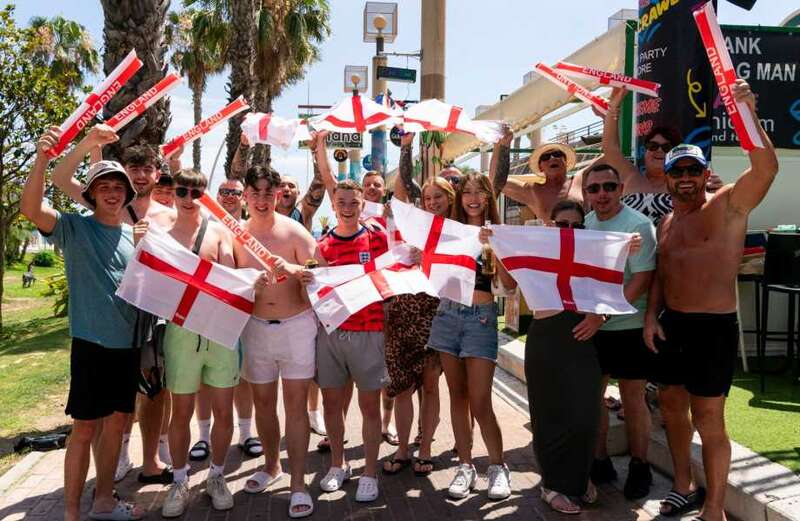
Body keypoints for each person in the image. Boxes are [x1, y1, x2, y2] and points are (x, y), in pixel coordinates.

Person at [644, 80, 778, 521]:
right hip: (672, 324)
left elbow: (765, 168)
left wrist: (746, 113)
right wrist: (651, 317)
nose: (684, 179)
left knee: (709, 420)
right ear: (667, 177)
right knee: (670, 408)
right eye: (676, 172)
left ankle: (715, 509)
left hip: (712, 329)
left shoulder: (726, 208)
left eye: (692, 172)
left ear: (704, 175)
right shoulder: (665, 222)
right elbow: (662, 272)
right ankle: (684, 485)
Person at [22, 126, 143, 521]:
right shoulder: (74, 227)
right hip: (91, 344)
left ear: (127, 194)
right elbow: (31, 210)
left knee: (117, 427)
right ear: (91, 193)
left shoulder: (134, 236)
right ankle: (73, 513)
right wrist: (43, 159)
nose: (112, 193)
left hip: (127, 345)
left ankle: (105, 500)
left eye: (118, 187)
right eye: (103, 186)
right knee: (85, 429)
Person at [52, 134, 178, 485]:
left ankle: (151, 459)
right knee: (107, 408)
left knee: (154, 391)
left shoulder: (170, 215)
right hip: (110, 322)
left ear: (158, 174)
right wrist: (92, 143)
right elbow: (63, 180)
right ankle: (116, 460)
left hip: (154, 316)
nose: (139, 175)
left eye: (147, 169)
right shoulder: (112, 204)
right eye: (132, 169)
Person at [235, 165, 320, 518]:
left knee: (297, 406)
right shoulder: (234, 234)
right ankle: (272, 466)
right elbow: (220, 275)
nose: (261, 200)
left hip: (296, 326)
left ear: (277, 195)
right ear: (245, 197)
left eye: (268, 193)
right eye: (254, 193)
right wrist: (243, 282)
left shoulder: (295, 232)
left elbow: (321, 279)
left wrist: (299, 272)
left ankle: (298, 482)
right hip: (254, 328)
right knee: (264, 404)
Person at [428, 172, 517, 501]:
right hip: (446, 315)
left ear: (489, 197)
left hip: (480, 317)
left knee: (480, 401)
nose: (473, 197)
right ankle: (465, 465)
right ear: (459, 198)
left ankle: (497, 466)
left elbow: (508, 288)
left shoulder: (500, 233)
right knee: (458, 396)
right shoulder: (448, 232)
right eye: (466, 192)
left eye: (480, 191)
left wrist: (493, 245)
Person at [155, 169, 239, 517]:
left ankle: (217, 476)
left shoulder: (221, 231)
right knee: (181, 412)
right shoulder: (160, 232)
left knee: (223, 410)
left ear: (206, 195)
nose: (190, 199)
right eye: (183, 191)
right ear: (173, 193)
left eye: (197, 192)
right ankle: (179, 479)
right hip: (181, 331)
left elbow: (234, 281)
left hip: (220, 331)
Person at [300, 179, 389, 503]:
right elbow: (315, 293)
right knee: (332, 405)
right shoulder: (320, 246)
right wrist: (308, 279)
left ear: (363, 204)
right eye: (342, 203)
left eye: (354, 203)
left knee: (369, 407)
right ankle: (338, 464)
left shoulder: (378, 239)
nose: (348, 209)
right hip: (332, 334)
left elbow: (393, 275)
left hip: (369, 332)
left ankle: (369, 472)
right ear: (333, 206)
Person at [583, 164, 657, 500]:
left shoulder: (639, 225)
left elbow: (641, 281)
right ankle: (600, 462)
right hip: (594, 327)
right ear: (586, 193)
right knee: (593, 397)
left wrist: (601, 315)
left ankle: (640, 466)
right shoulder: (585, 224)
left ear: (620, 188)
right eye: (594, 188)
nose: (602, 194)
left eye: (608, 187)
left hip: (627, 326)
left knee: (633, 400)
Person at [381, 131, 451, 478]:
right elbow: (402, 185)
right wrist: (405, 148)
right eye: (426, 197)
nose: (431, 202)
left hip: (434, 314)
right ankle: (404, 447)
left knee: (429, 384)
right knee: (403, 388)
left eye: (438, 196)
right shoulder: (408, 224)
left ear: (448, 199)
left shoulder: (454, 231)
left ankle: (425, 447)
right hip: (400, 313)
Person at [524, 199, 601, 514]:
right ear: (550, 226)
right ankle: (552, 485)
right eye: (562, 225)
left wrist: (599, 318)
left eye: (576, 226)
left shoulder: (594, 254)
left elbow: (609, 291)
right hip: (546, 338)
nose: (569, 231)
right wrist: (495, 244)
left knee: (584, 415)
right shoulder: (536, 253)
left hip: (583, 336)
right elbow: (509, 281)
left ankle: (579, 479)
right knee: (549, 415)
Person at [189, 177, 261, 464]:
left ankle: (246, 433)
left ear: (244, 197)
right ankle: (203, 437)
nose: (229, 196)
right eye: (224, 191)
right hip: (207, 312)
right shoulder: (204, 224)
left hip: (243, 312)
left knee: (243, 375)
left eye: (235, 192)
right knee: (205, 378)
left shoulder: (248, 229)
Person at [600, 87, 723, 225]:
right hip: (633, 245)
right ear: (645, 151)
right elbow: (610, 148)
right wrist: (613, 107)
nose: (659, 150)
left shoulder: (687, 183)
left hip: (673, 245)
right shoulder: (630, 175)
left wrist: (715, 192)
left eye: (666, 147)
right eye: (653, 146)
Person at [495, 141, 586, 219]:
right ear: (540, 167)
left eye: (557, 154)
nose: (552, 158)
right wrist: (503, 145)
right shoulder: (533, 191)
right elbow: (497, 181)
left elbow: (601, 159)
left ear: (565, 161)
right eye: (545, 157)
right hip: (549, 239)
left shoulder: (580, 179)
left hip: (583, 239)